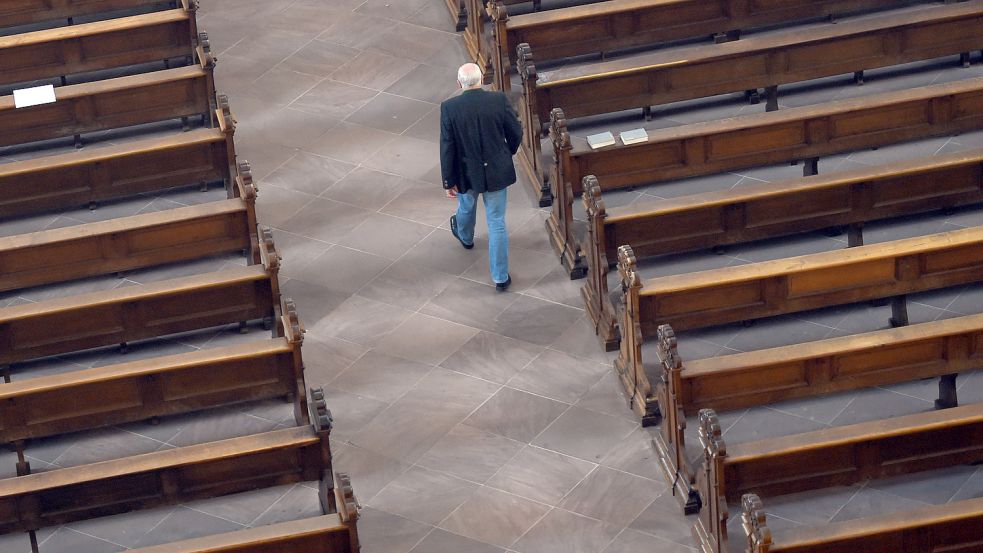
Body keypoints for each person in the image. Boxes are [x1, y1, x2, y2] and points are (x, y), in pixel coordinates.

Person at [439, 63, 523, 291]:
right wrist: (506, 153)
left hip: (467, 171)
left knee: (466, 206)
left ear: (459, 84)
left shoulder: (449, 108)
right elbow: (515, 131)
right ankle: (500, 277)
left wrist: (448, 180)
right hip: (496, 169)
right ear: (481, 80)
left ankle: (466, 237)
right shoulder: (498, 100)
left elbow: (447, 147)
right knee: (496, 222)